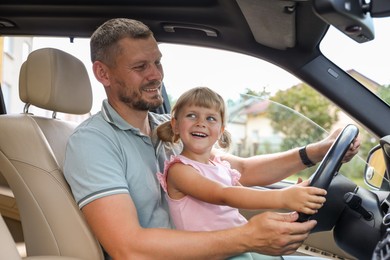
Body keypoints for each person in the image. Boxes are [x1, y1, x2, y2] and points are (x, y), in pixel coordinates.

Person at [63, 18, 360, 260]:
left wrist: (315, 152)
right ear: (103, 73)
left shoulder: (168, 129)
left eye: (158, 63)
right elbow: (128, 248)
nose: (156, 75)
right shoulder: (92, 143)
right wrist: (247, 237)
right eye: (140, 67)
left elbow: (238, 170)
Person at [156, 86, 326, 231]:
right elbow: (224, 195)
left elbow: (247, 196)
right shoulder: (179, 170)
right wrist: (283, 196)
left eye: (210, 118)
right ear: (176, 125)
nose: (201, 123)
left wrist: (291, 202)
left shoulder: (220, 166)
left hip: (234, 244)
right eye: (192, 115)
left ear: (221, 130)